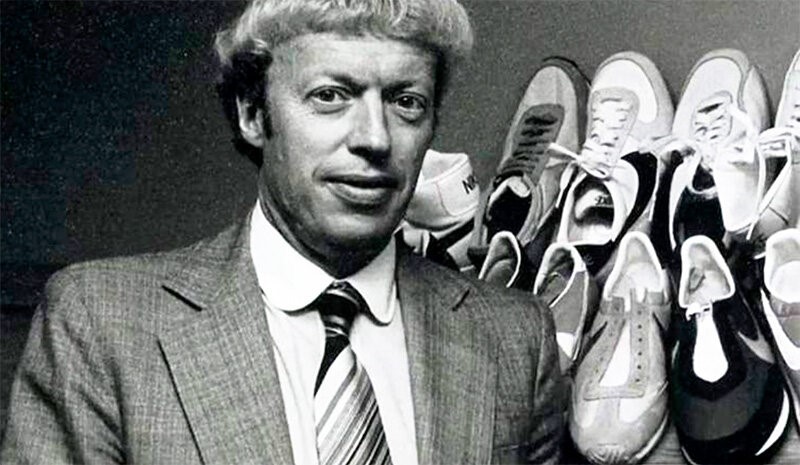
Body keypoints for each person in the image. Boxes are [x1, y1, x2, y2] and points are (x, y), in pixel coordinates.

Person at [0, 1, 565, 463]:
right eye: (330, 96)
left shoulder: (515, 339)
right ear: (253, 114)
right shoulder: (102, 323)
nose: (374, 138)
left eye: (405, 102)